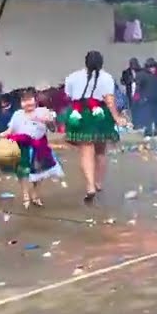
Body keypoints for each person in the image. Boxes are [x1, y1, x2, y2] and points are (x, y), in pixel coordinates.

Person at [63, 50, 126, 203]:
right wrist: (117, 117)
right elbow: (110, 101)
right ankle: (98, 182)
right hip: (100, 115)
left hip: (81, 114)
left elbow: (69, 96)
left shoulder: (72, 77)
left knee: (86, 151)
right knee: (100, 151)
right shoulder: (107, 77)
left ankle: (90, 185)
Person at [4, 87, 63, 208]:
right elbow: (10, 130)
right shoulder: (17, 114)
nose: (28, 103)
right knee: (22, 173)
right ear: (20, 103)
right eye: (24, 101)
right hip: (22, 148)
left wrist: (48, 121)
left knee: (40, 172)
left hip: (39, 148)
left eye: (30, 100)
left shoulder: (43, 112)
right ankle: (25, 195)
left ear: (35, 100)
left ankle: (35, 194)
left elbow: (53, 129)